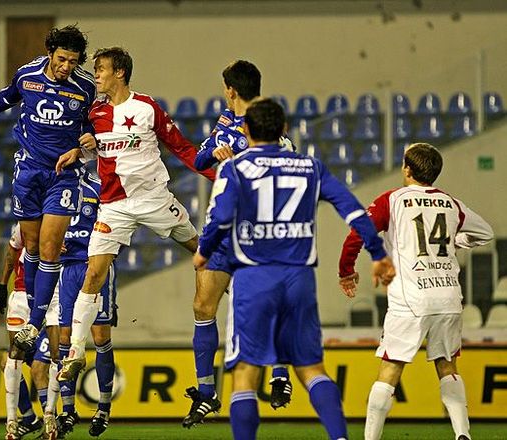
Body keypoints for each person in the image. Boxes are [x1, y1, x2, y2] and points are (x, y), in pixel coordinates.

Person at [193, 98, 395, 440]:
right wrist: (376, 252)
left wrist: (204, 252)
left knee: (244, 372)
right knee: (312, 369)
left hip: (254, 276)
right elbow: (352, 210)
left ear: (246, 130)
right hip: (299, 278)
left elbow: (221, 218)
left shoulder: (234, 168)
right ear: (284, 129)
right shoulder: (310, 166)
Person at [57, 46, 215, 382]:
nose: (96, 74)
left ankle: (236, 285)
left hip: (155, 199)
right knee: (93, 275)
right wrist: (79, 149)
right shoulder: (95, 114)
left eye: (101, 69)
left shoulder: (146, 108)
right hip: (114, 206)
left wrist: (219, 175)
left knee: (201, 251)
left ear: (120, 72)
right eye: (95, 69)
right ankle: (75, 352)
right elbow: (90, 150)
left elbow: (182, 147)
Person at [337, 143, 493, 440]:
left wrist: (346, 271)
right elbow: (484, 232)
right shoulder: (450, 203)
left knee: (390, 369)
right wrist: (452, 242)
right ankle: (463, 435)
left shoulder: (392, 200)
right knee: (448, 366)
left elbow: (358, 234)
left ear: (407, 169)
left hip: (411, 298)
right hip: (448, 295)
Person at [0, 24, 96, 352]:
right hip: (28, 171)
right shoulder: (28, 75)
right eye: (62, 59)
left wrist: (86, 144)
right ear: (50, 53)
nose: (66, 66)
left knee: (52, 247)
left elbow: (97, 125)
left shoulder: (85, 87)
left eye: (73, 61)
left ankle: (34, 323)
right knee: (34, 246)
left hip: (64, 175)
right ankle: (33, 311)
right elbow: (7, 97)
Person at [184, 60, 294, 429]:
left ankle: (279, 374)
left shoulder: (270, 124)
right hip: (224, 226)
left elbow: (282, 172)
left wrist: (238, 160)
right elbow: (198, 160)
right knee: (203, 305)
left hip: (258, 229)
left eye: (224, 88)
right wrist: (215, 151)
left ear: (230, 89)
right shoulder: (225, 123)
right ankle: (205, 394)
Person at [55, 163, 118, 438]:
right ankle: (68, 410)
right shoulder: (54, 189)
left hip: (95, 264)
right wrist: (51, 240)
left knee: (100, 336)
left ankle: (103, 409)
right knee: (65, 338)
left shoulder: (98, 186)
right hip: (68, 269)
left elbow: (119, 218)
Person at [0, 222, 58, 440]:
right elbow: (12, 252)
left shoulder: (62, 219)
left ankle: (52, 418)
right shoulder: (23, 224)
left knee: (52, 360)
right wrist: (2, 284)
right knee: (13, 357)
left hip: (54, 295)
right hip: (22, 295)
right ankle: (12, 422)